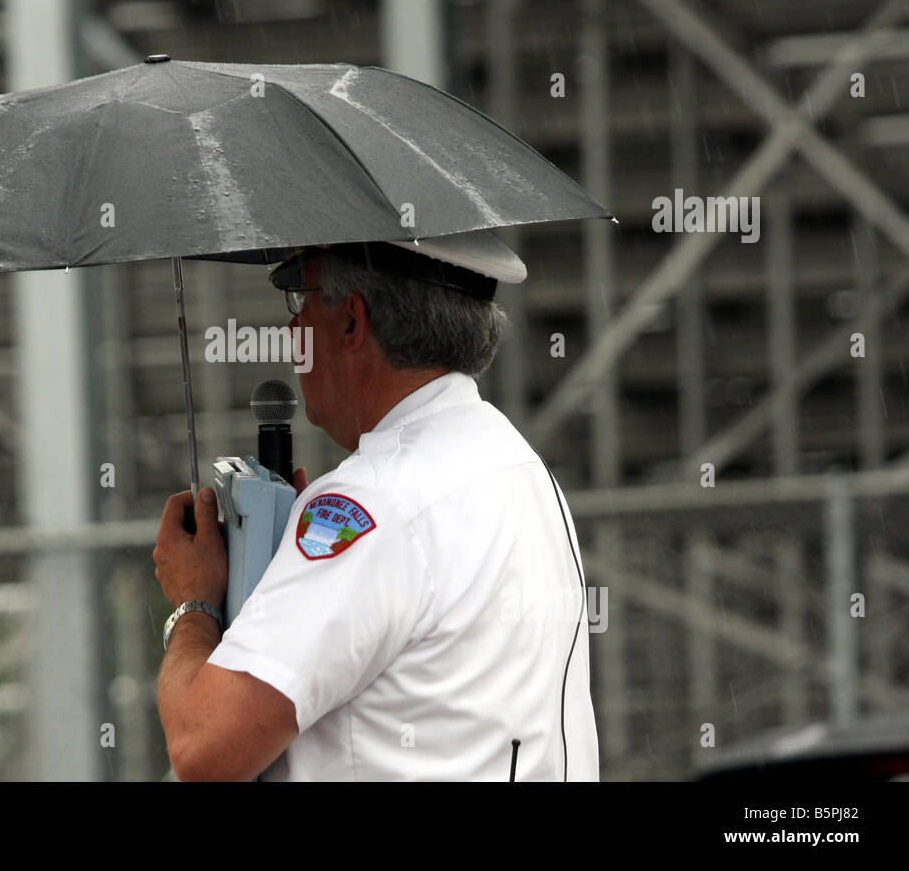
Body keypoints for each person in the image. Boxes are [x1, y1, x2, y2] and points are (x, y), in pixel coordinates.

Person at [152, 232, 600, 781]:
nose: (293, 330)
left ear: (351, 322)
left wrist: (193, 605)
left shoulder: (371, 501)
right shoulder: (517, 463)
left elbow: (203, 747)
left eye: (302, 297)